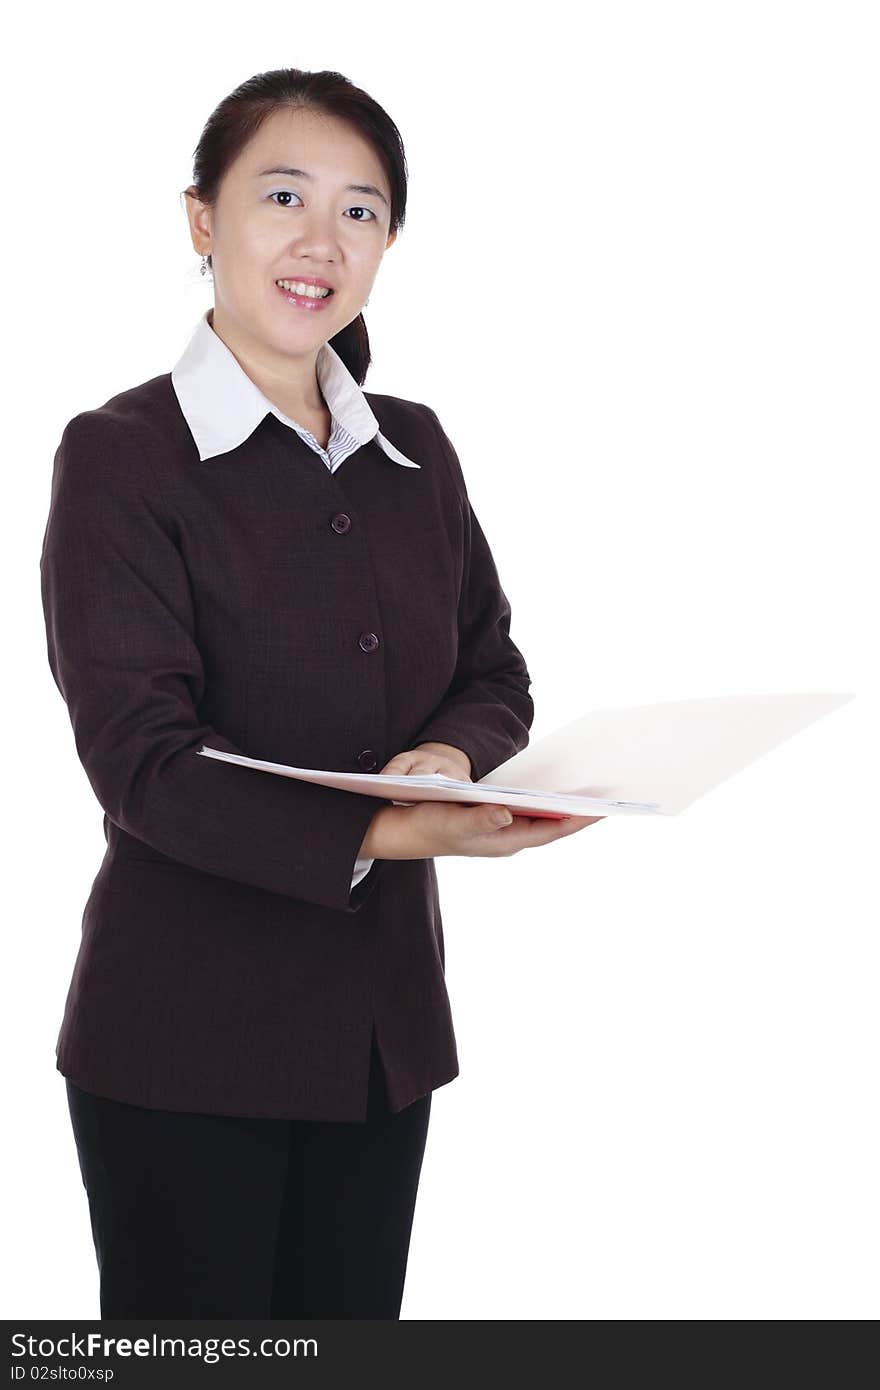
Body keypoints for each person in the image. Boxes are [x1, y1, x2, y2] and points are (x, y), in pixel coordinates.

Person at [39, 67, 602, 1320]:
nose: (320, 240)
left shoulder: (416, 449)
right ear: (202, 220)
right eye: (281, 196)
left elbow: (489, 665)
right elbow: (144, 762)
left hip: (377, 1039)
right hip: (182, 1041)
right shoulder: (124, 458)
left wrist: (451, 760)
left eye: (361, 210)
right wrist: (392, 829)